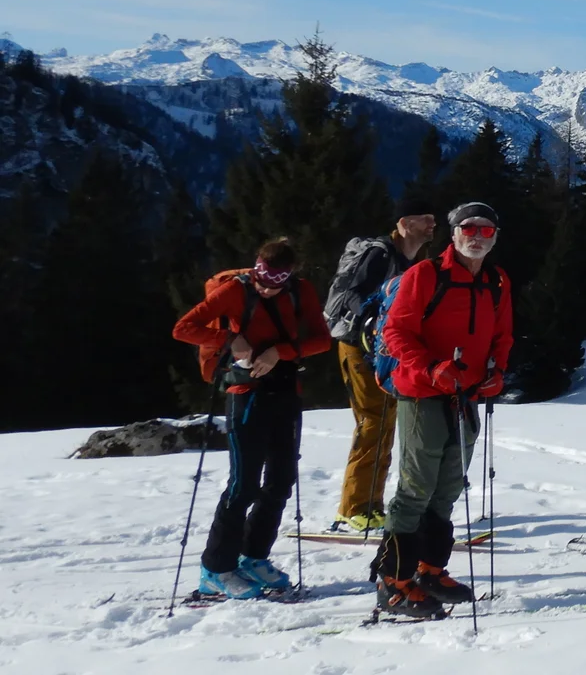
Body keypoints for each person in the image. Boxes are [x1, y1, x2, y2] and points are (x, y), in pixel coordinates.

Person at [371, 202, 512, 620]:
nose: (477, 236)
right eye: (469, 228)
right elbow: (394, 332)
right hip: (421, 392)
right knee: (416, 487)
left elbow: (502, 335)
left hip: (464, 395)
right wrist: (431, 368)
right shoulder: (425, 275)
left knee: (449, 486)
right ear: (452, 234)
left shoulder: (497, 281)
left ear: (495, 238)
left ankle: (429, 569)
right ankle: (392, 582)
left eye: (486, 231)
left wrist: (497, 370)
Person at [171, 237, 331, 599]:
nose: (266, 289)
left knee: (281, 480)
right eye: (261, 281)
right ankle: (215, 569)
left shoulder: (299, 291)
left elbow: (322, 340)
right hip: (245, 394)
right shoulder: (234, 291)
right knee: (243, 484)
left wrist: (281, 351)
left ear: (289, 277)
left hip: (286, 390)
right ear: (255, 268)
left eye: (275, 284)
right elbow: (183, 328)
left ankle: (252, 557)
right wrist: (230, 339)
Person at [323, 195, 437, 533]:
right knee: (373, 423)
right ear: (403, 223)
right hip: (359, 346)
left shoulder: (415, 258)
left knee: (385, 422)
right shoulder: (381, 254)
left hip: (385, 350)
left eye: (433, 218)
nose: (432, 224)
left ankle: (370, 504)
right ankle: (354, 506)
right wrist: (379, 318)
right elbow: (352, 295)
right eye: (424, 217)